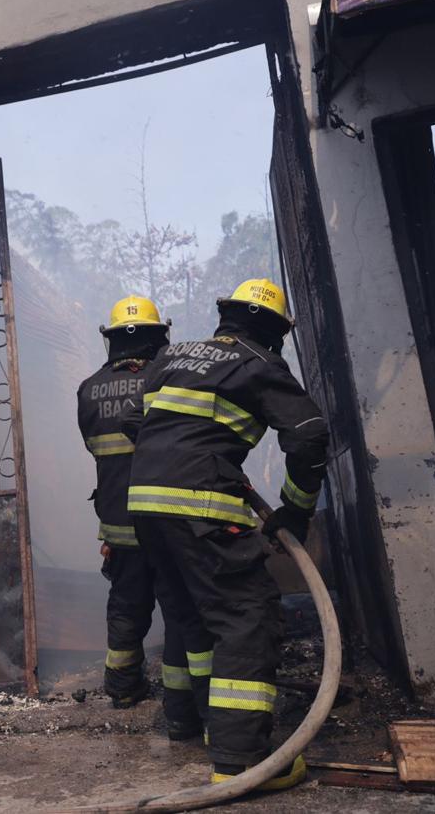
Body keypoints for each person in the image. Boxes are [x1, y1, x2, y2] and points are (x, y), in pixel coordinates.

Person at [120, 279, 329, 790]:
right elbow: (308, 434)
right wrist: (295, 512)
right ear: (278, 331)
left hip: (145, 508)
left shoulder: (175, 355)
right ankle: (242, 763)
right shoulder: (260, 364)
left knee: (194, 617)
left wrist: (180, 454)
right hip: (199, 504)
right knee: (245, 617)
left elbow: (131, 421)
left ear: (228, 315)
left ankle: (214, 727)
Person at [76, 295, 200, 739]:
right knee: (180, 611)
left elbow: (94, 448)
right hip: (167, 519)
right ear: (158, 336)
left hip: (118, 521)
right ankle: (181, 702)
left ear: (111, 341)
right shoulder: (168, 380)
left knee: (127, 607)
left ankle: (123, 688)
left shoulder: (88, 389)